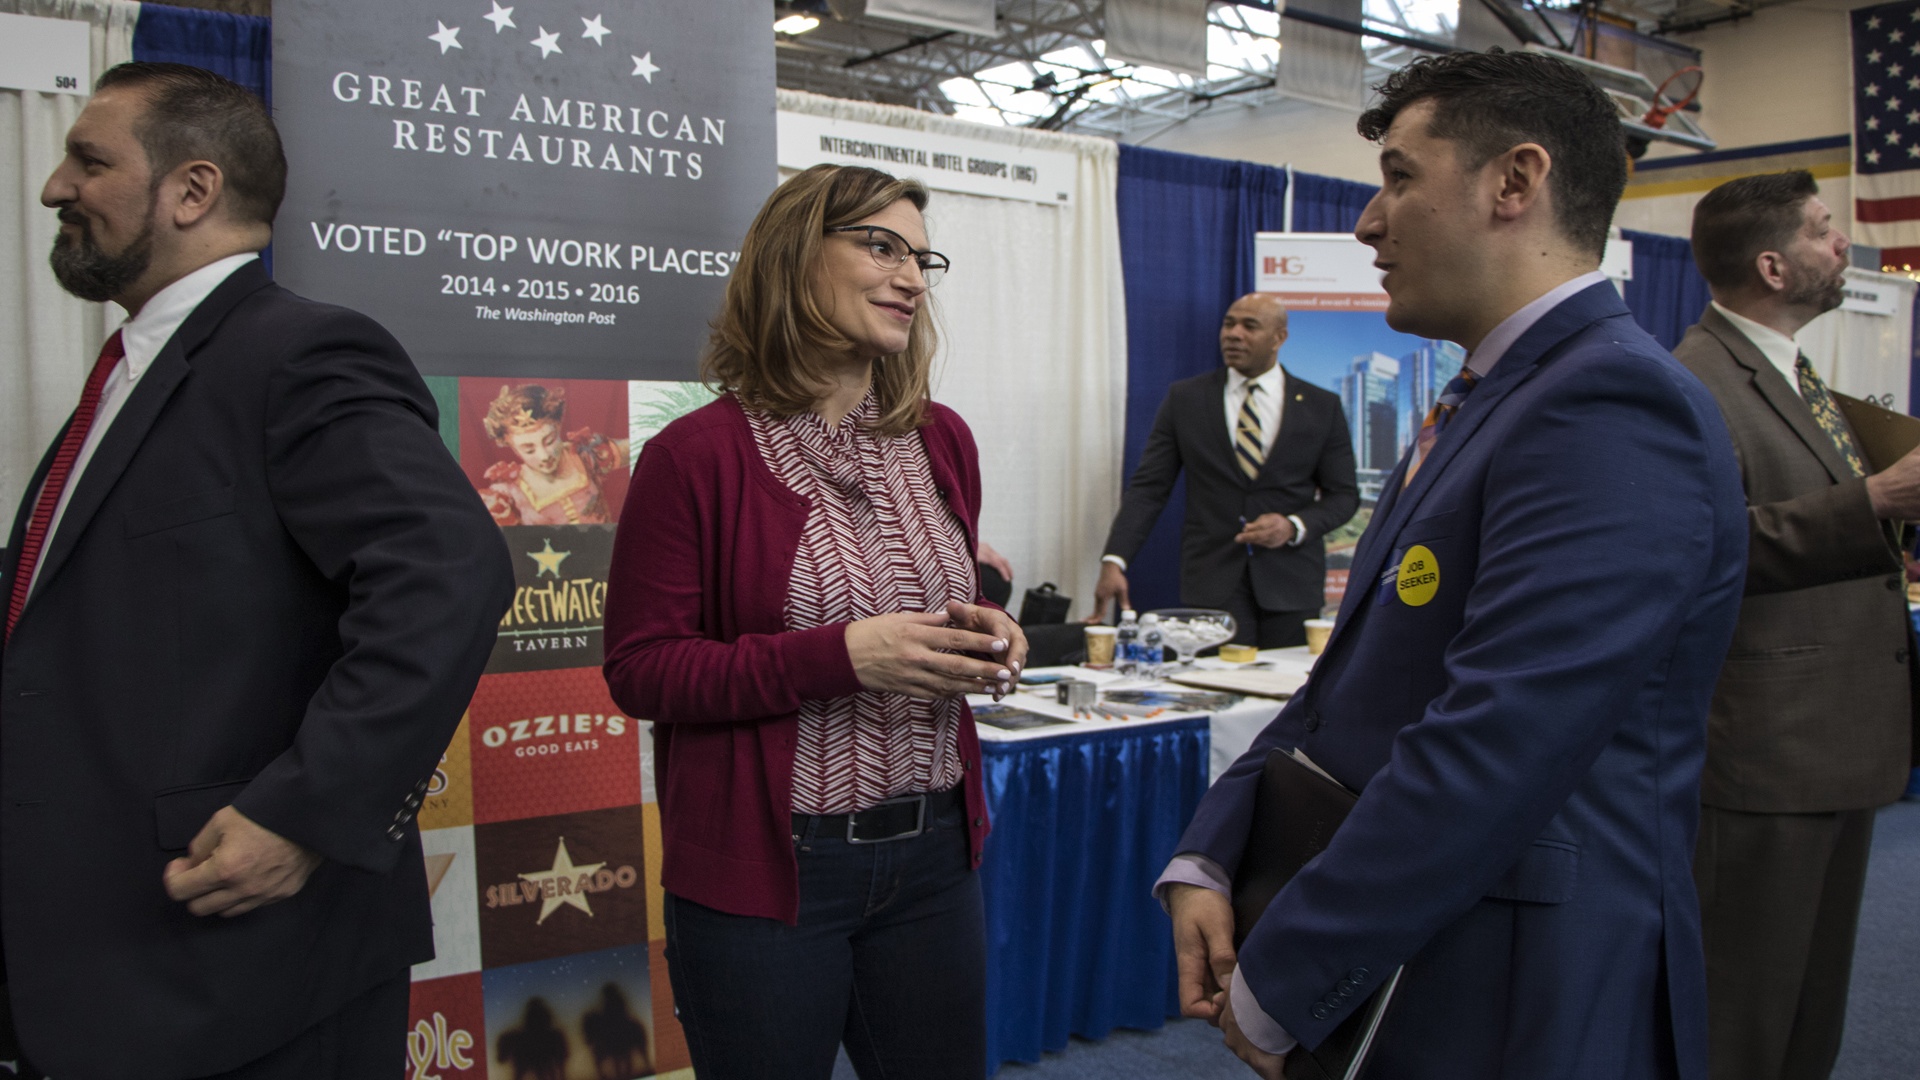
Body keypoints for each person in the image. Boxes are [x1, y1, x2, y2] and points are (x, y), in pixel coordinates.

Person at [1158, 50, 1749, 1080]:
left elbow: (1500, 739)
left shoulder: (1608, 404)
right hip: (1437, 951)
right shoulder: (1493, 397)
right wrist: (1214, 845)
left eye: (1398, 177)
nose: (1367, 223)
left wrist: (1292, 968)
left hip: (1524, 986)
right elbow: (1351, 680)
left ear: (1514, 183)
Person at [4, 63, 512, 1078]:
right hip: (113, 976)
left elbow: (448, 571)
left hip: (241, 978)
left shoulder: (303, 352)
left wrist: (306, 814)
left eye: (89, 161)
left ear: (190, 192)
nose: (56, 187)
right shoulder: (129, 380)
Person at [601, 163, 1026, 1080]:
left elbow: (925, 590)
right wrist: (839, 657)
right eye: (881, 246)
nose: (913, 277)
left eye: (921, 258)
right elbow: (643, 670)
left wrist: (981, 622)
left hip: (936, 857)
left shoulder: (941, 437)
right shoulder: (695, 456)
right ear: (795, 257)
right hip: (772, 875)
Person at [1672, 170, 1920, 1080]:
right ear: (1773, 265)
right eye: (1824, 231)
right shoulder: (1691, 379)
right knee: (1746, 1013)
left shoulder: (1795, 373)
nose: (1845, 244)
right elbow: (1696, 554)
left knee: (1810, 1011)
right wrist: (1877, 500)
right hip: (1761, 750)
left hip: (1832, 740)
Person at [1092, 293, 1357, 647]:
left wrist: (1293, 526)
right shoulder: (1186, 399)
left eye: (1250, 326)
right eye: (1229, 323)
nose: (1233, 334)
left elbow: (1344, 496)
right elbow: (1149, 488)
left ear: (1279, 338)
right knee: (1215, 693)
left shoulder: (1321, 406)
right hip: (1213, 584)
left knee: (1289, 692)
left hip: (1291, 585)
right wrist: (1115, 559)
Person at [477, 382, 630, 526]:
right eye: (529, 450)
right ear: (511, 446)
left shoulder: (583, 454)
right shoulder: (510, 492)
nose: (544, 456)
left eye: (549, 441)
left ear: (557, 427)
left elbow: (639, 447)